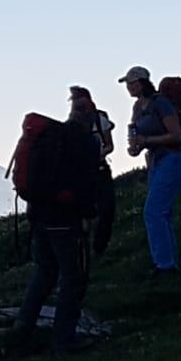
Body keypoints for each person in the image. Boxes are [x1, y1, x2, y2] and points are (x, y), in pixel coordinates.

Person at [12, 121, 100, 351]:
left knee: (44, 274)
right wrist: (87, 215)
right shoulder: (82, 143)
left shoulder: (46, 140)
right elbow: (86, 184)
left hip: (39, 219)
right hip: (66, 222)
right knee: (73, 278)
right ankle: (64, 338)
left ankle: (21, 331)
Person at [120, 66, 181, 273]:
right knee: (162, 213)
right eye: (127, 84)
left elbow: (177, 135)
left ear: (142, 82)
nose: (129, 87)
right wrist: (136, 146)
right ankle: (169, 263)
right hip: (156, 162)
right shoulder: (137, 108)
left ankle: (165, 265)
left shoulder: (160, 103)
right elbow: (137, 136)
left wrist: (146, 140)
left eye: (132, 83)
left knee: (154, 212)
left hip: (172, 158)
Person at [69, 84, 117, 257]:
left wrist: (95, 155)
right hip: (94, 171)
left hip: (93, 171)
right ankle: (91, 249)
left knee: (103, 209)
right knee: (96, 211)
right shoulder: (77, 124)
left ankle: (93, 249)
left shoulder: (96, 120)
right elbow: (109, 146)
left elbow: (109, 145)